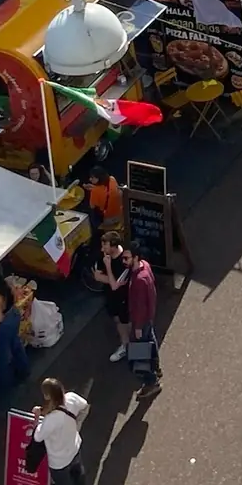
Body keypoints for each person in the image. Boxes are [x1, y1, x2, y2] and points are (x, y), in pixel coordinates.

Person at [34, 379, 90, 485]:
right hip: (74, 449)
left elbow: (37, 437)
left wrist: (37, 417)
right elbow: (84, 405)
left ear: (47, 396)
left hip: (59, 461)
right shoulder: (71, 398)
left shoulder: (51, 420)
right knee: (79, 480)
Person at [119, 245, 162, 390]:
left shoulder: (139, 280)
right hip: (148, 318)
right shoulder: (145, 267)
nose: (124, 261)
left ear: (136, 258)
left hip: (141, 322)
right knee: (151, 340)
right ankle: (156, 367)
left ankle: (151, 382)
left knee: (140, 354)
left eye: (127, 258)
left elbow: (140, 306)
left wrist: (137, 327)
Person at [93, 232, 133, 364]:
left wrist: (109, 268)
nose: (102, 249)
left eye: (105, 246)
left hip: (124, 297)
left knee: (125, 321)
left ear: (114, 246)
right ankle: (126, 342)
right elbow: (97, 276)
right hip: (110, 296)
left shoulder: (125, 260)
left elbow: (115, 285)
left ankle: (127, 346)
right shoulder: (103, 256)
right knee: (117, 319)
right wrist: (110, 280)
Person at [0, 283, 30, 390]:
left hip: (6, 323)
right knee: (16, 343)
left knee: (4, 355)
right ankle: (24, 370)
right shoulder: (9, 286)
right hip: (14, 314)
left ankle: (5, 383)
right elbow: (16, 299)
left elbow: (1, 318)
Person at [86, 165, 124, 233]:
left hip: (108, 220)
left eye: (92, 177)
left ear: (98, 179)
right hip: (120, 214)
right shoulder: (112, 179)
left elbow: (92, 206)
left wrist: (93, 190)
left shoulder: (95, 191)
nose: (90, 179)